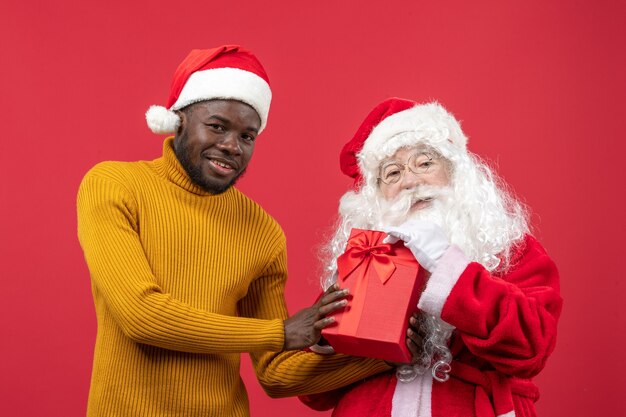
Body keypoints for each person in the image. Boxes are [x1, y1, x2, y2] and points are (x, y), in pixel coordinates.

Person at [76, 45, 390, 417]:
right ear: (178, 119)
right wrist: (280, 332)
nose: (231, 146)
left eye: (247, 136)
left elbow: (276, 373)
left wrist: (385, 356)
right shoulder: (113, 185)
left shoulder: (263, 232)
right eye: (217, 126)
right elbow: (141, 316)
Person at [299, 98, 563, 417]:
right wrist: (344, 345)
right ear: (377, 195)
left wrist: (445, 263)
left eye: (425, 164)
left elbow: (531, 349)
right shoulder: (363, 260)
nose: (411, 181)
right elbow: (311, 391)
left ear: (455, 171)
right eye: (393, 173)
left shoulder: (508, 248)